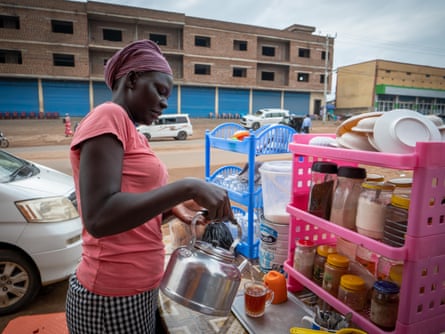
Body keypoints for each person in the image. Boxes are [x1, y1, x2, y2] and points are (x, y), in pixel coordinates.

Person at [65, 40, 234, 334]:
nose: (166, 102)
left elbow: (130, 212)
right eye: (160, 90)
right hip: (112, 295)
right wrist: (187, 187)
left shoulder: (134, 133)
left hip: (136, 288)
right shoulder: (109, 115)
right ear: (132, 79)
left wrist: (174, 211)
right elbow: (100, 218)